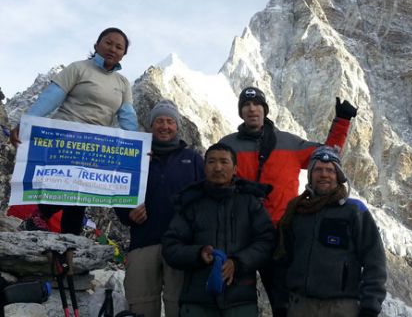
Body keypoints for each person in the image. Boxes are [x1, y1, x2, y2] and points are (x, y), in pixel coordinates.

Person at [218, 86, 357, 314]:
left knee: (282, 301)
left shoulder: (289, 143)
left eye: (257, 105)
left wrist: (342, 122)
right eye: (246, 105)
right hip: (241, 233)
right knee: (239, 301)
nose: (252, 109)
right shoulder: (228, 145)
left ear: (265, 110)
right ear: (240, 112)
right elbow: (214, 175)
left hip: (280, 235)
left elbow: (328, 155)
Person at [9, 27, 138, 235]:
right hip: (65, 140)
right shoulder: (78, 68)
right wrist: (26, 123)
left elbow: (127, 116)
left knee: (80, 199)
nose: (112, 49)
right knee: (65, 187)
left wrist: (137, 147)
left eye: (118, 47)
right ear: (96, 45)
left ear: (124, 54)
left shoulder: (122, 83)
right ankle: (40, 217)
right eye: (108, 43)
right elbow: (51, 97)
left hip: (94, 146)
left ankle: (67, 251)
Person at [162, 143, 274, 317]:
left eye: (224, 161)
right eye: (212, 162)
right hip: (197, 301)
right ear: (204, 167)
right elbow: (171, 247)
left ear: (235, 169)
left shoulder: (250, 203)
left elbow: (266, 241)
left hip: (241, 301)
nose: (218, 167)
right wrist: (198, 254)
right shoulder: (191, 204)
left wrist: (237, 263)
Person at [115, 100, 204, 317]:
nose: (165, 126)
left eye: (170, 121)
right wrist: (127, 214)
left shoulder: (192, 159)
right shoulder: (134, 158)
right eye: (159, 121)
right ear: (150, 126)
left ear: (177, 126)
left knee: (180, 304)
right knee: (140, 305)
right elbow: (118, 190)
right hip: (143, 242)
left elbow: (205, 198)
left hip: (181, 245)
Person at [275, 146, 387, 317]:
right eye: (318, 169)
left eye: (330, 170)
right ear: (310, 175)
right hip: (300, 306)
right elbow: (283, 259)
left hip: (341, 308)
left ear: (339, 176)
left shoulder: (354, 211)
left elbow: (375, 260)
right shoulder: (297, 211)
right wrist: (281, 303)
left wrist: (370, 307)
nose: (324, 174)